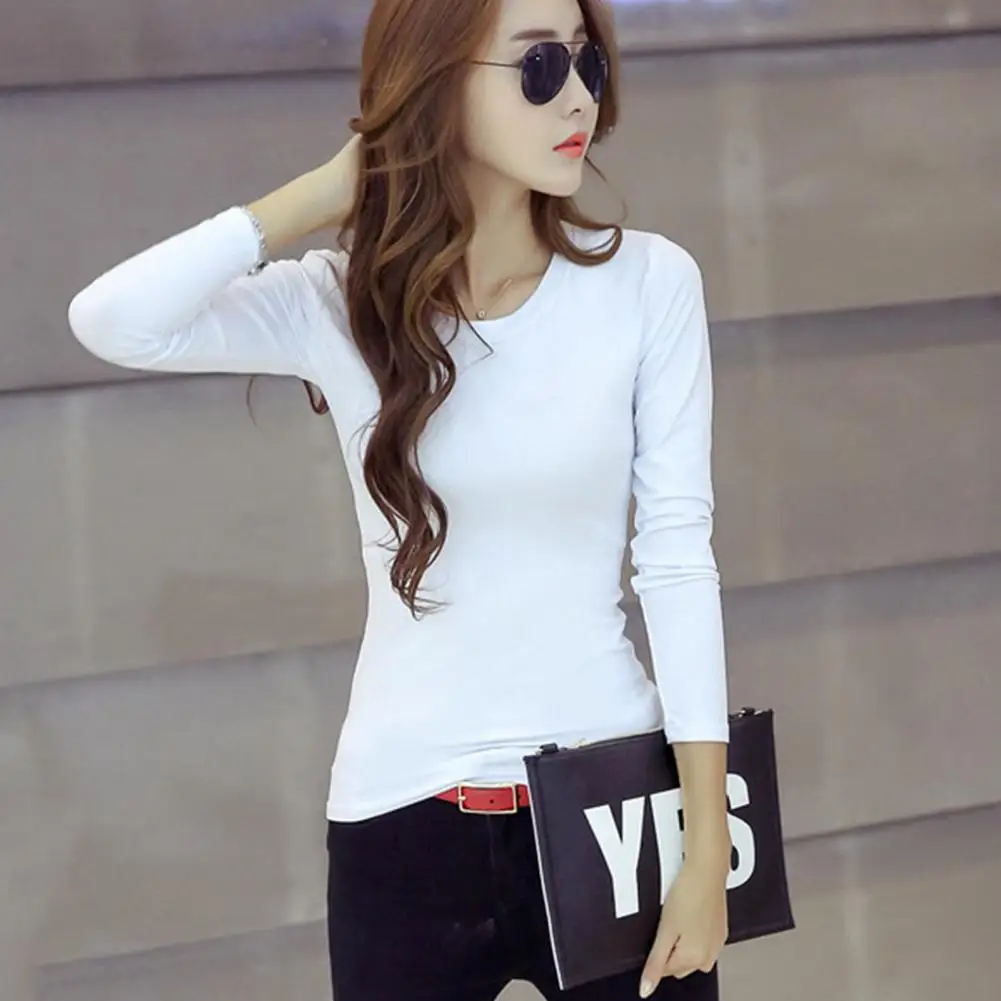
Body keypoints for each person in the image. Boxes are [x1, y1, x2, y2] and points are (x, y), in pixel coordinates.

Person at [67, 0, 732, 998]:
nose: (578, 98)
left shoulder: (648, 284)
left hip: (609, 809)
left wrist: (706, 843)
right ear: (436, 83)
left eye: (587, 62)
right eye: (538, 67)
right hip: (404, 820)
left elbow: (676, 560)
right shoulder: (339, 302)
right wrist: (317, 194)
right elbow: (112, 319)